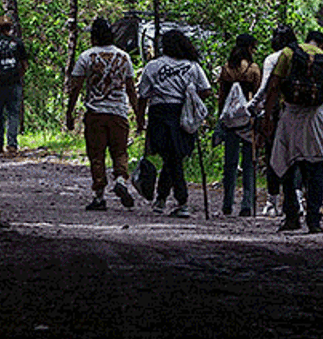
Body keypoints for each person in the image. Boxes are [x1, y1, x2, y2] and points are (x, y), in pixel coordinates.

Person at [261, 28, 323, 232]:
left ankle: (291, 216)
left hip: (290, 116)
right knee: (315, 171)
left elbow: (274, 86)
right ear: (322, 44)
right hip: (316, 119)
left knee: (288, 167)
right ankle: (314, 221)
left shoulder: (289, 54)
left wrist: (268, 116)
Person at [135, 28, 213, 218]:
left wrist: (140, 119)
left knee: (171, 158)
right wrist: (190, 96)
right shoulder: (192, 67)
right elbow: (206, 90)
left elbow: (143, 95)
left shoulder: (153, 66)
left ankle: (175, 200)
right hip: (182, 114)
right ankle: (172, 200)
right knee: (174, 157)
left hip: (160, 114)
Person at [65, 16, 139, 211]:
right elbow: (131, 89)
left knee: (96, 155)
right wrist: (139, 115)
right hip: (119, 112)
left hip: (96, 113)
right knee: (120, 151)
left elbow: (76, 87)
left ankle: (99, 196)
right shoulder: (124, 57)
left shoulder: (86, 57)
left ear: (94, 37)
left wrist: (69, 112)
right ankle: (121, 179)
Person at [214, 33, 262, 216]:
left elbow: (222, 96)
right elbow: (258, 95)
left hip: (230, 119)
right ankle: (247, 204)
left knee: (230, 163)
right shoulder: (253, 69)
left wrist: (221, 118)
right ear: (250, 48)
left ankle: (227, 203)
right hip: (247, 119)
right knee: (249, 163)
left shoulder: (227, 68)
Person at [253, 26, 297, 216]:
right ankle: (297, 199)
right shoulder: (300, 56)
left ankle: (272, 202)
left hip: (277, 112)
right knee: (296, 156)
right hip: (298, 112)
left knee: (274, 155)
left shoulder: (273, 59)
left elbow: (267, 87)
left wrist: (254, 107)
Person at [0, 13, 31, 156]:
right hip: (14, 83)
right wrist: (19, 76)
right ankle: (12, 146)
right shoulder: (18, 42)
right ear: (10, 27)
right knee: (13, 114)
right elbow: (25, 64)